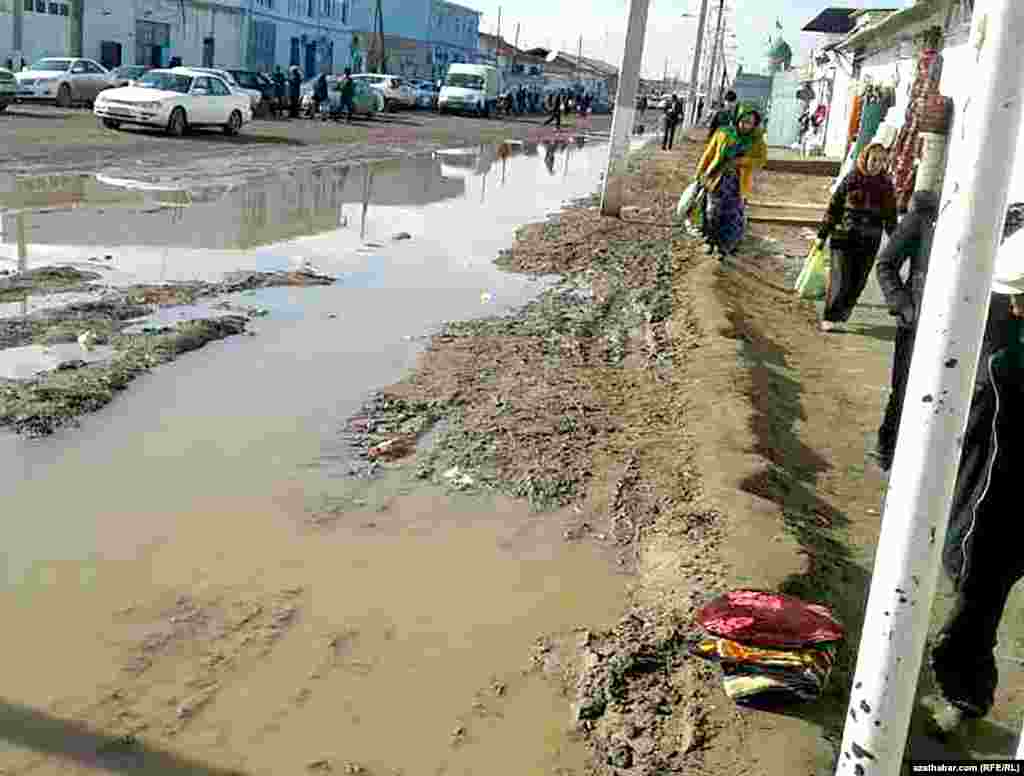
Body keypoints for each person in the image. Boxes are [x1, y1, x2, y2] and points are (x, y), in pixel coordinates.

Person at [928, 211, 1024, 730]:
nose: (1013, 305)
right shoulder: (1000, 331)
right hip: (978, 485)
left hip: (1005, 506)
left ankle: (964, 694)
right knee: (966, 582)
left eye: (1020, 297)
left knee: (975, 604)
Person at [874, 190, 940, 472]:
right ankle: (888, 447)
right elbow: (886, 264)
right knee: (904, 391)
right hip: (915, 324)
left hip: (959, 330)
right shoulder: (923, 218)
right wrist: (903, 304)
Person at [815, 143, 897, 331]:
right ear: (865, 158)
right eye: (874, 159)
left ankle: (842, 315)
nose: (877, 164)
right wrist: (822, 234)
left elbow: (891, 217)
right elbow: (833, 207)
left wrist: (896, 241)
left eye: (882, 160)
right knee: (841, 278)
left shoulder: (886, 185)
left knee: (858, 281)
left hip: (870, 240)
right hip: (844, 236)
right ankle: (830, 317)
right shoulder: (852, 178)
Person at [694, 105, 764, 258]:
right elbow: (708, 154)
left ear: (754, 124)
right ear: (737, 119)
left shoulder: (756, 140)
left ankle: (724, 248)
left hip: (737, 184)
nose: (746, 125)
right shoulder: (723, 133)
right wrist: (699, 174)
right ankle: (710, 241)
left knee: (732, 217)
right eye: (743, 121)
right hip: (716, 179)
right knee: (712, 213)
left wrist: (742, 161)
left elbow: (761, 161)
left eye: (750, 123)